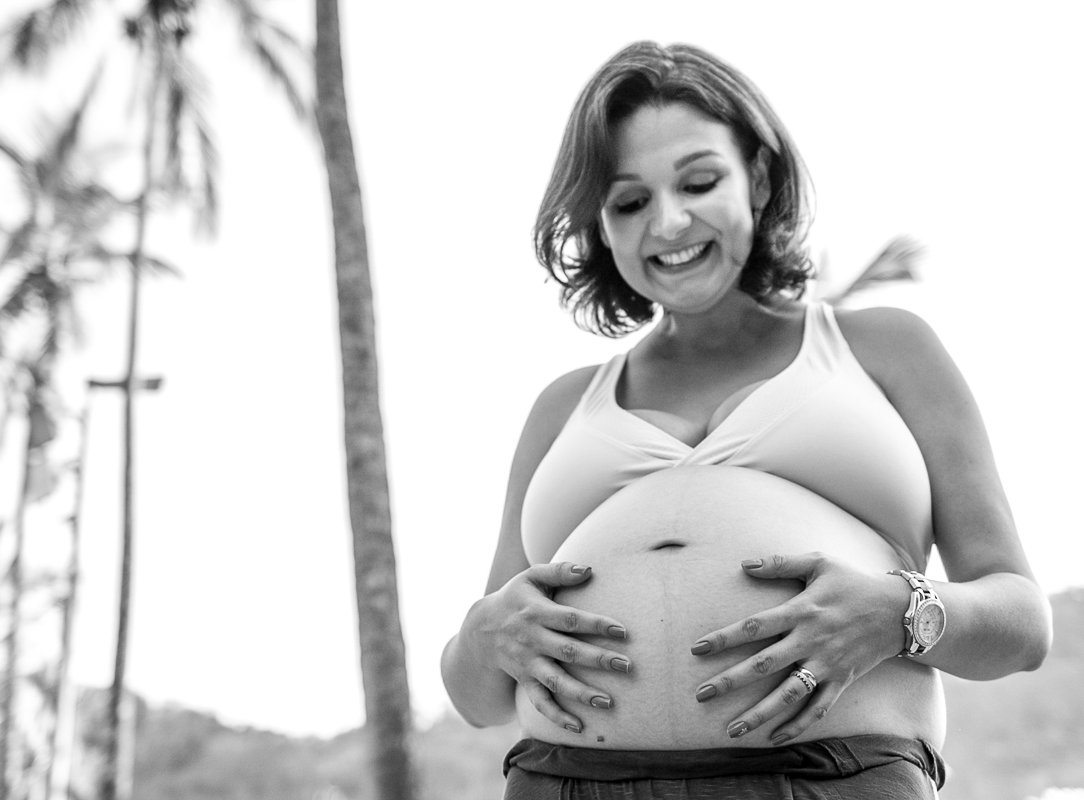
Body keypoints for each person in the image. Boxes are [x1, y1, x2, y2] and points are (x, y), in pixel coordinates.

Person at [440, 41, 1053, 799]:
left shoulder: (883, 349)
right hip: (564, 782)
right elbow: (477, 697)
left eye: (698, 182)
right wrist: (483, 636)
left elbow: (1023, 624)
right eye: (629, 202)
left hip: (830, 779)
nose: (669, 222)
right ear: (601, 225)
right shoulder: (561, 407)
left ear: (758, 179)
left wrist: (899, 612)